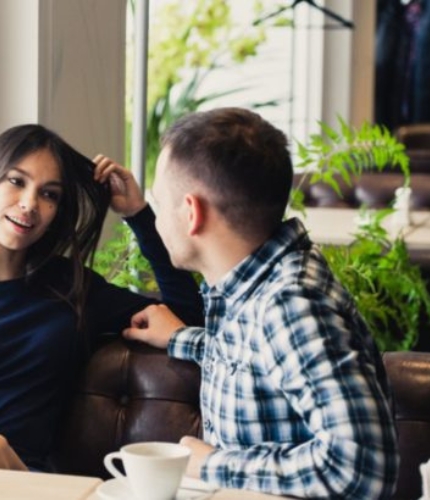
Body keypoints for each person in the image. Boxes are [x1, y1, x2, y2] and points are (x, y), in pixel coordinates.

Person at [0, 124, 203, 472]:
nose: (29, 204)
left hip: (34, 484)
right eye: (17, 181)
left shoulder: (70, 287)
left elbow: (186, 311)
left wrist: (138, 215)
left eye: (49, 194)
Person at [124, 107, 399, 499]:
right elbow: (259, 356)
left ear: (191, 213)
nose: (158, 220)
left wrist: (211, 464)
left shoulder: (290, 304)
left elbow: (361, 467)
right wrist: (183, 339)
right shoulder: (255, 285)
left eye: (160, 203)